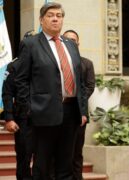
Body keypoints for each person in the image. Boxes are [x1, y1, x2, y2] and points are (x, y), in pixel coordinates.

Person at [15, 2, 87, 180]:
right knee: (42, 166)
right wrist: (29, 109)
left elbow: (80, 80)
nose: (55, 18)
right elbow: (21, 80)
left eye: (59, 15)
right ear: (41, 19)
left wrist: (83, 110)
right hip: (42, 114)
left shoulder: (70, 45)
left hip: (71, 113)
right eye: (50, 15)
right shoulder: (30, 44)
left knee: (66, 166)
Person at [2, 30, 35, 180]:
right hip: (23, 118)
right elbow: (7, 93)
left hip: (46, 117)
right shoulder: (14, 66)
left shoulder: (48, 64)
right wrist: (9, 117)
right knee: (24, 157)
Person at [63, 29, 95, 180]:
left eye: (73, 40)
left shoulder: (87, 63)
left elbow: (90, 86)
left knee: (76, 152)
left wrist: (78, 101)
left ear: (78, 43)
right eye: (67, 39)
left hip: (79, 113)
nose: (71, 42)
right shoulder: (58, 61)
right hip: (59, 113)